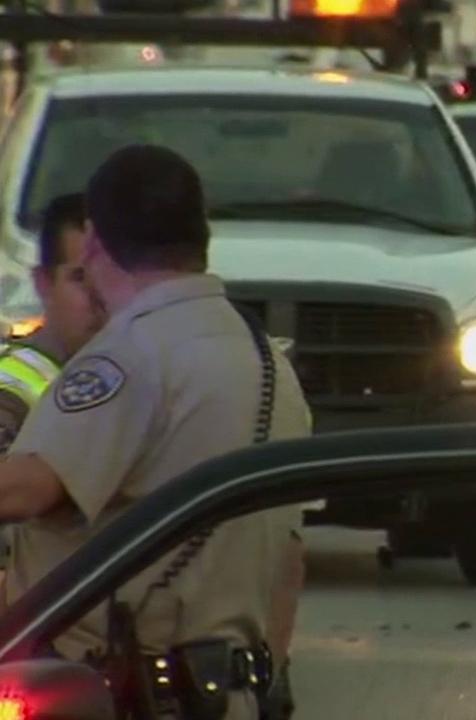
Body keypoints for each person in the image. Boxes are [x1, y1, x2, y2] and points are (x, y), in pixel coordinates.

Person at [0, 145, 311, 719]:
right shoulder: (267, 365)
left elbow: (24, 491)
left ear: (94, 242)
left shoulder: (129, 356)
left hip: (108, 693)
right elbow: (288, 561)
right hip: (224, 693)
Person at [0, 193, 104, 454]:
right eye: (80, 277)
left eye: (113, 276)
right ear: (44, 282)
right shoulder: (13, 385)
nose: (101, 295)